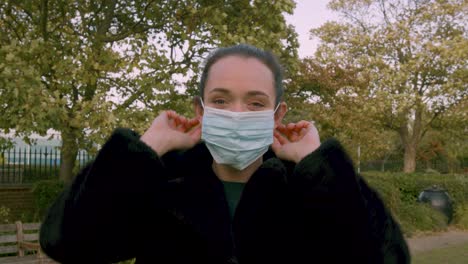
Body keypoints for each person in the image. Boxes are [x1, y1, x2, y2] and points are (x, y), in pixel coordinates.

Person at [39, 44, 410, 264]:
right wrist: (147, 148)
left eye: (255, 103)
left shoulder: (312, 188)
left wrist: (319, 165)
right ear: (200, 111)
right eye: (220, 100)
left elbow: (386, 258)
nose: (236, 113)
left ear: (277, 115)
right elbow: (67, 241)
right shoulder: (162, 184)